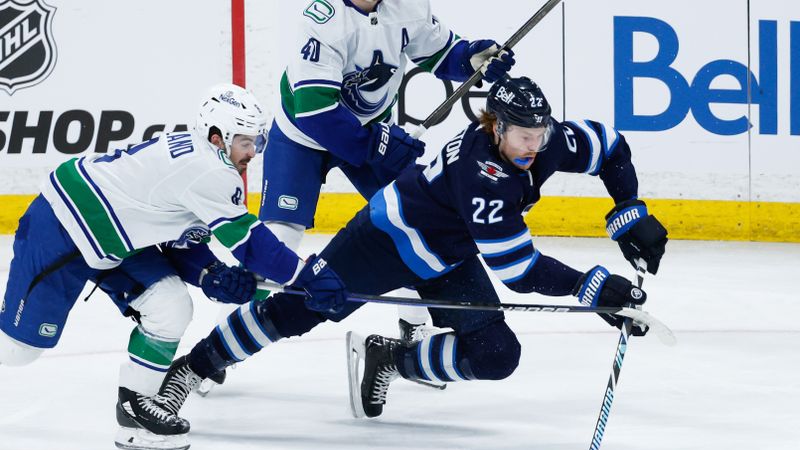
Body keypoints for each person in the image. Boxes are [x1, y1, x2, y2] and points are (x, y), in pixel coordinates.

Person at [152, 76, 668, 431]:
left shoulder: (545, 140)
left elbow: (611, 147)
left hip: (447, 255)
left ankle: (389, 358)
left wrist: (629, 211)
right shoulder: (481, 173)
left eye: (541, 133)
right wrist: (596, 288)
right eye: (523, 135)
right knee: (297, 309)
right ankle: (193, 368)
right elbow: (518, 270)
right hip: (386, 240)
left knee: (496, 357)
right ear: (496, 126)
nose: (534, 146)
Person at [0, 83, 348, 450]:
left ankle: (134, 410)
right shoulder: (208, 171)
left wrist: (211, 275)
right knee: (17, 351)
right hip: (64, 228)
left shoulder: (201, 159)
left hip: (116, 240)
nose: (254, 152)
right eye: (246, 142)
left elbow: (175, 243)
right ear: (219, 137)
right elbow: (251, 245)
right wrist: (304, 275)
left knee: (171, 305)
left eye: (257, 142)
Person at [260, 0, 516, 339]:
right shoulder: (324, 18)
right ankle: (225, 341)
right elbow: (316, 111)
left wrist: (471, 58)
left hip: (370, 131)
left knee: (411, 220)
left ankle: (412, 329)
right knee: (278, 236)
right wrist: (376, 145)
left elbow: (440, 53)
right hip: (302, 136)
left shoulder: (406, 5)